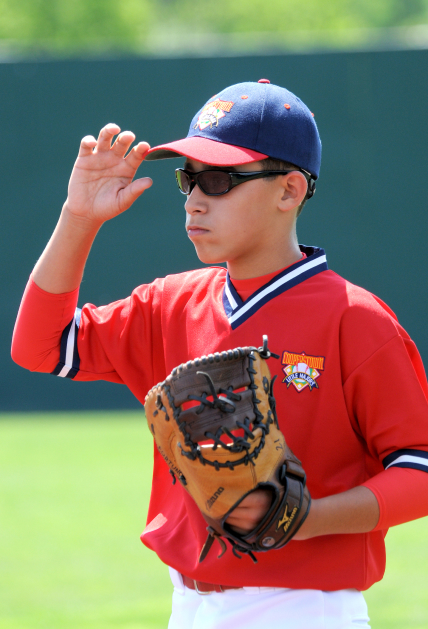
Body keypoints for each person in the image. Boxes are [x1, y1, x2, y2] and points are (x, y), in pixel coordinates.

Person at [12, 79, 428, 629]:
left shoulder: (355, 318)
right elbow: (41, 347)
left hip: (304, 610)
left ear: (290, 190)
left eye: (219, 179)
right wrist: (78, 217)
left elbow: (418, 467)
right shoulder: (169, 303)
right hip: (189, 607)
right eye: (188, 180)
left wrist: (304, 519)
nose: (195, 199)